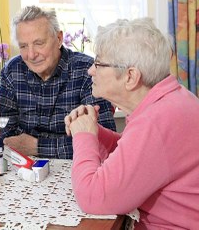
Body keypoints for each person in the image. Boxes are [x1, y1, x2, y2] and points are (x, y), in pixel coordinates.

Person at [65, 18, 199, 229]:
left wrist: (84, 136)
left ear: (130, 77)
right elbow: (138, 158)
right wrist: (95, 133)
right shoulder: (171, 101)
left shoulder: (156, 121)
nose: (91, 70)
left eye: (98, 63)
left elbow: (92, 197)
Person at [0, 6, 116, 159]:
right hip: (23, 170)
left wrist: (37, 146)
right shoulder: (12, 70)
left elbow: (103, 143)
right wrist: (70, 143)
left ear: (59, 39)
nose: (31, 55)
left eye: (39, 43)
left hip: (77, 171)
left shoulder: (88, 71)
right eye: (23, 46)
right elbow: (2, 134)